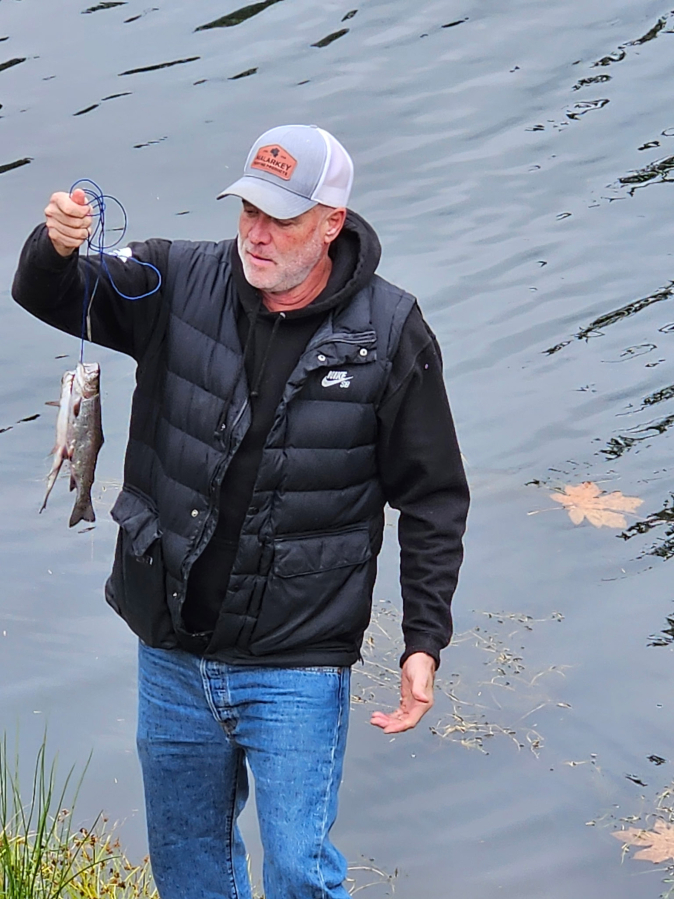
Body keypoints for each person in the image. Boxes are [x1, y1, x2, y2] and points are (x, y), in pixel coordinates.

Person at [12, 124, 469, 899]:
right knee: (189, 870)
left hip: (298, 658)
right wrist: (54, 245)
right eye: (249, 209)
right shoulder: (172, 278)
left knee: (299, 872)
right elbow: (47, 293)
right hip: (172, 651)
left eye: (281, 218)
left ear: (331, 222)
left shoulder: (390, 333)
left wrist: (424, 639)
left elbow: (433, 496)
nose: (256, 233)